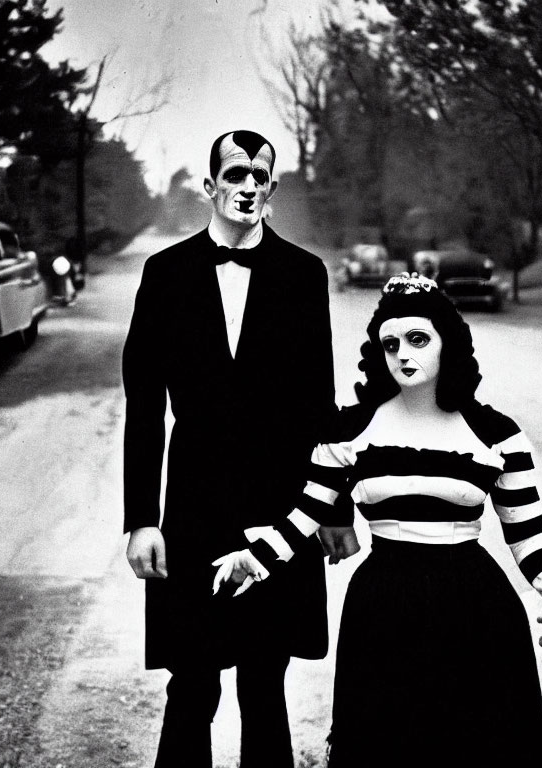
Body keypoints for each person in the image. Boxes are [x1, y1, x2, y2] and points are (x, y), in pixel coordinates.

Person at [213, 272, 542, 768]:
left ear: (446, 343)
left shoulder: (496, 434)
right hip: (383, 608)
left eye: (417, 339)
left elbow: (527, 532)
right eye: (390, 343)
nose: (403, 354)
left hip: (476, 608)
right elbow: (305, 516)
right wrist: (253, 559)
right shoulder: (350, 431)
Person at [122, 129, 337, 768]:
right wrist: (141, 519)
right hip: (190, 509)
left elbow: (318, 402)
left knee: (263, 681)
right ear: (211, 186)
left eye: (260, 176)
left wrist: (333, 508)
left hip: (278, 510)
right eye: (235, 173)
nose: (247, 185)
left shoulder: (304, 275)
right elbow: (144, 406)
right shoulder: (164, 274)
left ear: (271, 190)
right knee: (192, 680)